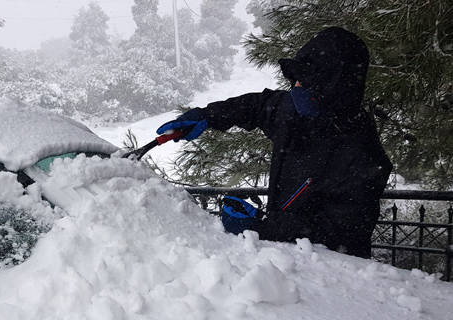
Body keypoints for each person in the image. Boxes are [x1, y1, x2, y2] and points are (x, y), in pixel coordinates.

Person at [157, 27, 392, 258]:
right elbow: (255, 106)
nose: (296, 87)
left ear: (335, 87)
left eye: (306, 81)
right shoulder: (294, 114)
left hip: (331, 279)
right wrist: (206, 116)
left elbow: (341, 234)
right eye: (296, 79)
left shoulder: (364, 156)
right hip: (282, 262)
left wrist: (262, 227)